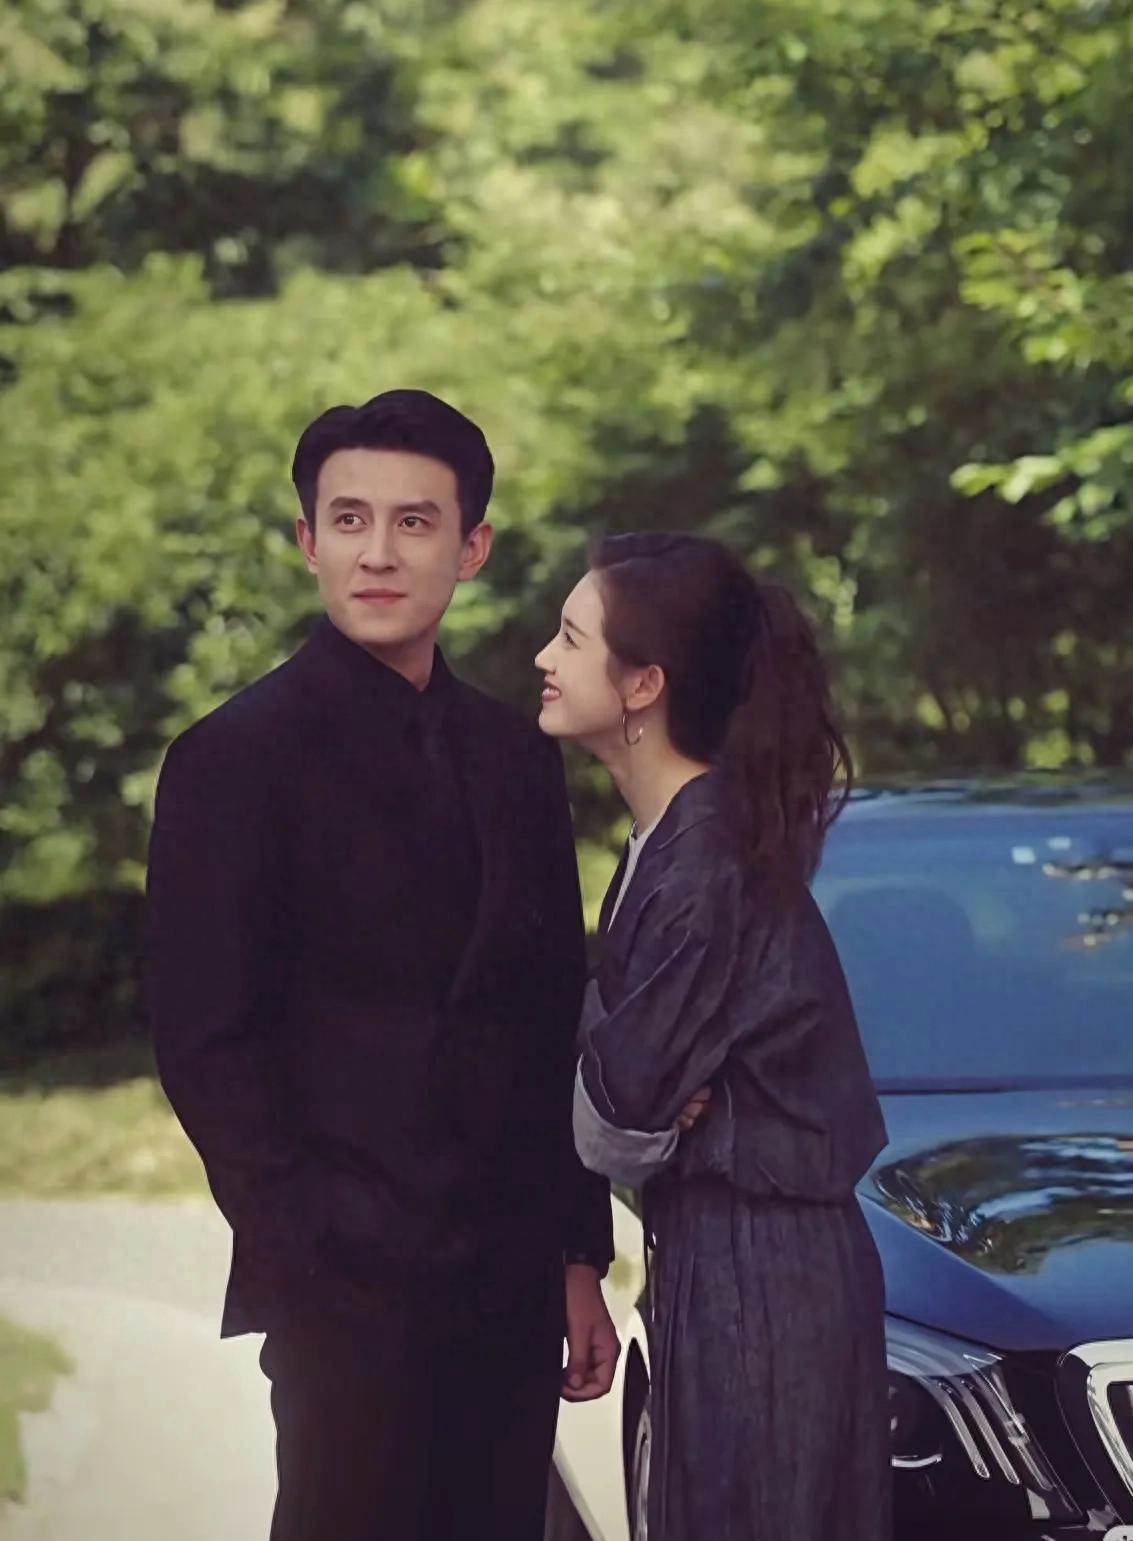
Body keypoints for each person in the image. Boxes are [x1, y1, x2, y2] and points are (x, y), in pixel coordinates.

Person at [146, 389, 619, 1541]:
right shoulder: (229, 758)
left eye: (414, 522)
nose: (377, 552)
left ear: (471, 547)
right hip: (343, 1289)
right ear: (307, 540)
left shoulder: (517, 753)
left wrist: (575, 1254)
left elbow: (551, 1010)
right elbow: (205, 1041)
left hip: (508, 1278)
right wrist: (309, 1245)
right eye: (348, 519)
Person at [535, 531, 892, 1541]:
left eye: (570, 637)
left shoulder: (704, 860)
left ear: (642, 684)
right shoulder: (665, 840)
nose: (544, 658)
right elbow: (624, 1100)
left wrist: (626, 1085)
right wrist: (628, 1081)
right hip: (715, 1253)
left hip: (765, 1268)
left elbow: (609, 1124)